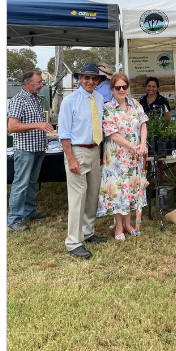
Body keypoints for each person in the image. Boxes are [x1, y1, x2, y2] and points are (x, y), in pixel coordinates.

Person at [58, 63, 108, 259]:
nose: (90, 81)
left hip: (94, 150)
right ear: (79, 79)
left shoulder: (99, 98)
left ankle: (87, 232)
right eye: (86, 78)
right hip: (77, 151)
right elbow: (64, 134)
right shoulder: (69, 101)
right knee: (77, 197)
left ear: (98, 81)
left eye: (94, 78)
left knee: (92, 195)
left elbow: (100, 128)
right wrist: (71, 158)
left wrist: (101, 153)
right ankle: (73, 242)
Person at [97, 72, 148, 241]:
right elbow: (112, 134)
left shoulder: (135, 104)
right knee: (118, 190)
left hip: (135, 157)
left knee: (131, 188)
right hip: (116, 157)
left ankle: (128, 223)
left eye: (124, 87)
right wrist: (133, 146)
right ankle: (118, 226)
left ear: (128, 88)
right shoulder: (107, 108)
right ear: (112, 89)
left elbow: (143, 124)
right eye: (117, 87)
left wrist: (143, 143)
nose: (121, 90)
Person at [7, 70, 54, 232]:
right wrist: (38, 125)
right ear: (29, 84)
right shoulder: (18, 100)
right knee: (21, 183)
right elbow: (12, 127)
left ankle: (29, 211)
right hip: (25, 149)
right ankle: (14, 220)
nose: (42, 85)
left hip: (37, 148)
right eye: (39, 82)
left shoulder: (34, 99)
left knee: (32, 182)